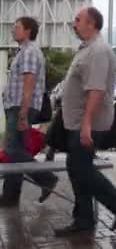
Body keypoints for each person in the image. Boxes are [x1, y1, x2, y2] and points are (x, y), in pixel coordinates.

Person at [54, 7, 116, 236]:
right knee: (76, 168)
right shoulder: (86, 49)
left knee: (80, 168)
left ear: (92, 24)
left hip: (88, 123)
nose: (74, 22)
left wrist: (86, 124)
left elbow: (96, 91)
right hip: (77, 121)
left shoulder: (98, 51)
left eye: (78, 19)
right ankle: (84, 220)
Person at [0, 17, 58, 207]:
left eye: (16, 27)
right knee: (19, 151)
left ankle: (46, 177)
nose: (12, 30)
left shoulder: (30, 52)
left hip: (20, 107)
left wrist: (23, 113)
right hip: (16, 107)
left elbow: (29, 84)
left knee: (12, 150)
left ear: (28, 31)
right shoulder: (23, 52)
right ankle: (10, 196)